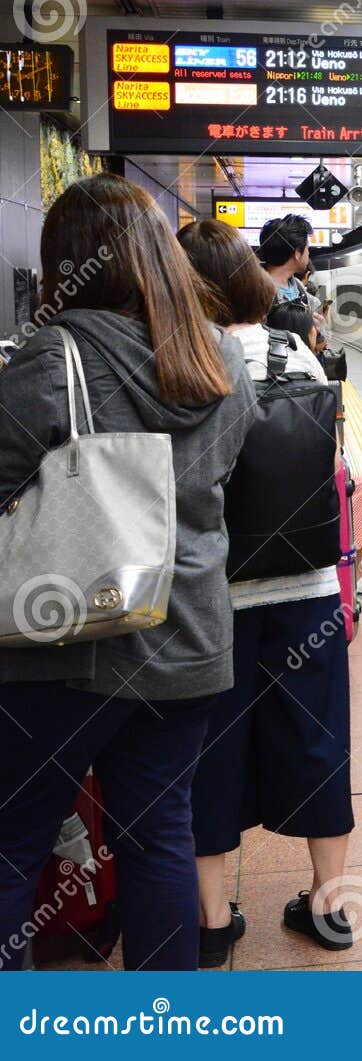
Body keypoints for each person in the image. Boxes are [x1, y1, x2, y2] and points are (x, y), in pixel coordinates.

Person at [0, 174, 254, 971]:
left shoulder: (58, 352)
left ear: (69, 263)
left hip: (67, 646)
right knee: (159, 838)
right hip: (187, 641)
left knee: (12, 844)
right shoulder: (223, 357)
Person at [177, 219, 357, 966]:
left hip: (215, 594)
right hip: (306, 586)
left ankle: (214, 919)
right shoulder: (300, 357)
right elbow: (332, 467)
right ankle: (328, 906)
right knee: (318, 739)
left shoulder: (187, 362)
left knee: (208, 752)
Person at [257, 215, 316, 306]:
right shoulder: (258, 293)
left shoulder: (298, 286)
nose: (308, 253)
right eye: (307, 248)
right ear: (297, 254)